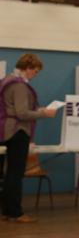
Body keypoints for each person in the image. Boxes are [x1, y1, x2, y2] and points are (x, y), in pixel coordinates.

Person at [0, 54, 56, 223]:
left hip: (6, 131)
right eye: (36, 71)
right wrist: (44, 113)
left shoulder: (7, 80)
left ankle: (8, 210)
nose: (35, 75)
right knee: (15, 174)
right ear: (29, 68)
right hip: (17, 132)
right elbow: (22, 113)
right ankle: (15, 212)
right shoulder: (20, 86)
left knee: (8, 174)